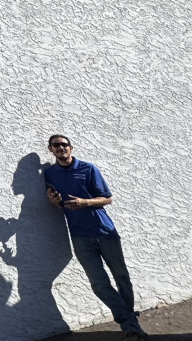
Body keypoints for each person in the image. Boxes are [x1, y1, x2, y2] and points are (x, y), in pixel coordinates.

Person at [43, 135, 148, 340]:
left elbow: (107, 198)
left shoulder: (88, 169)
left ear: (71, 148)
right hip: (79, 236)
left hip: (104, 231)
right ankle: (130, 323)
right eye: (57, 145)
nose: (61, 148)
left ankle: (130, 327)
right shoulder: (50, 174)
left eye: (64, 145)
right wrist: (53, 202)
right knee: (98, 283)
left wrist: (85, 202)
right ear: (51, 149)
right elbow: (59, 203)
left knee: (121, 277)